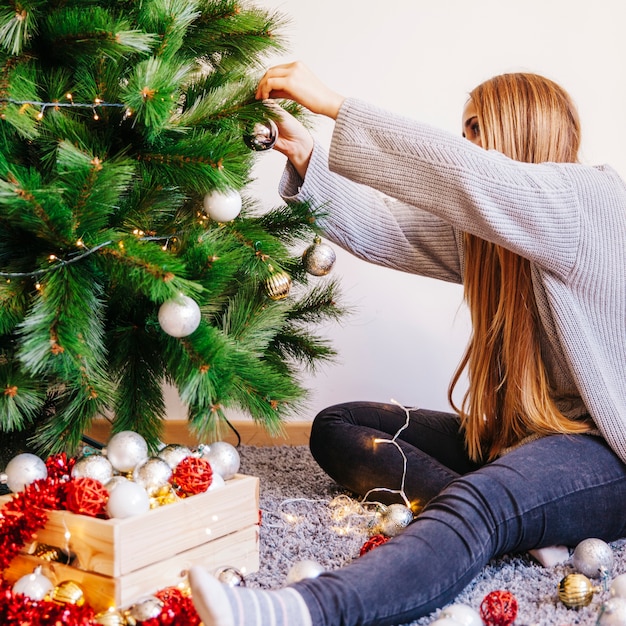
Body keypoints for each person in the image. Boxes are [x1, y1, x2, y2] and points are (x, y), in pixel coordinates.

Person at [189, 61, 626, 626]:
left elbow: (468, 176)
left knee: (483, 501)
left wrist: (336, 106)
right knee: (339, 425)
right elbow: (389, 231)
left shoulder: (588, 202)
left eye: (475, 128)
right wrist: (308, 160)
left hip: (608, 456)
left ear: (520, 130)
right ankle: (505, 514)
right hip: (532, 439)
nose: (462, 141)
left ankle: (298, 612)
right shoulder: (488, 239)